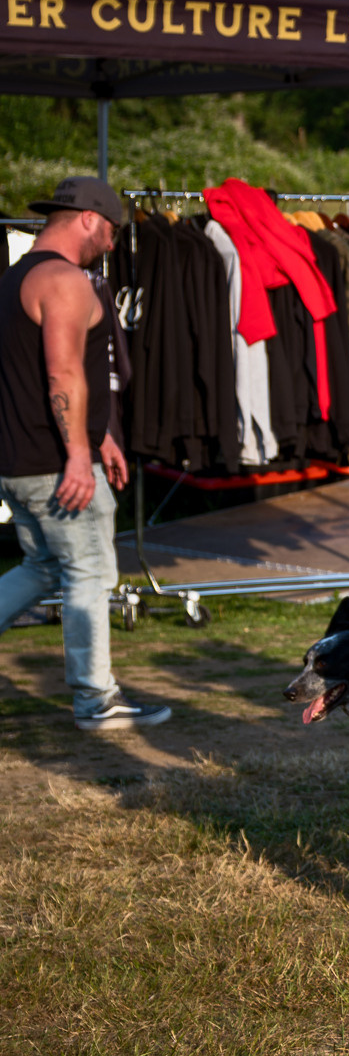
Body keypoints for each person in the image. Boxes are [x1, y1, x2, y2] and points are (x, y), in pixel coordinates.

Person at [0, 178, 167, 731]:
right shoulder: (66, 280)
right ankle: (96, 699)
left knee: (43, 567)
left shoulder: (14, 278)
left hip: (18, 459)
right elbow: (62, 371)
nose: (114, 246)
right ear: (88, 220)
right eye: (113, 232)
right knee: (90, 571)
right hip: (54, 463)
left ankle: (94, 695)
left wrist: (100, 436)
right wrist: (77, 454)